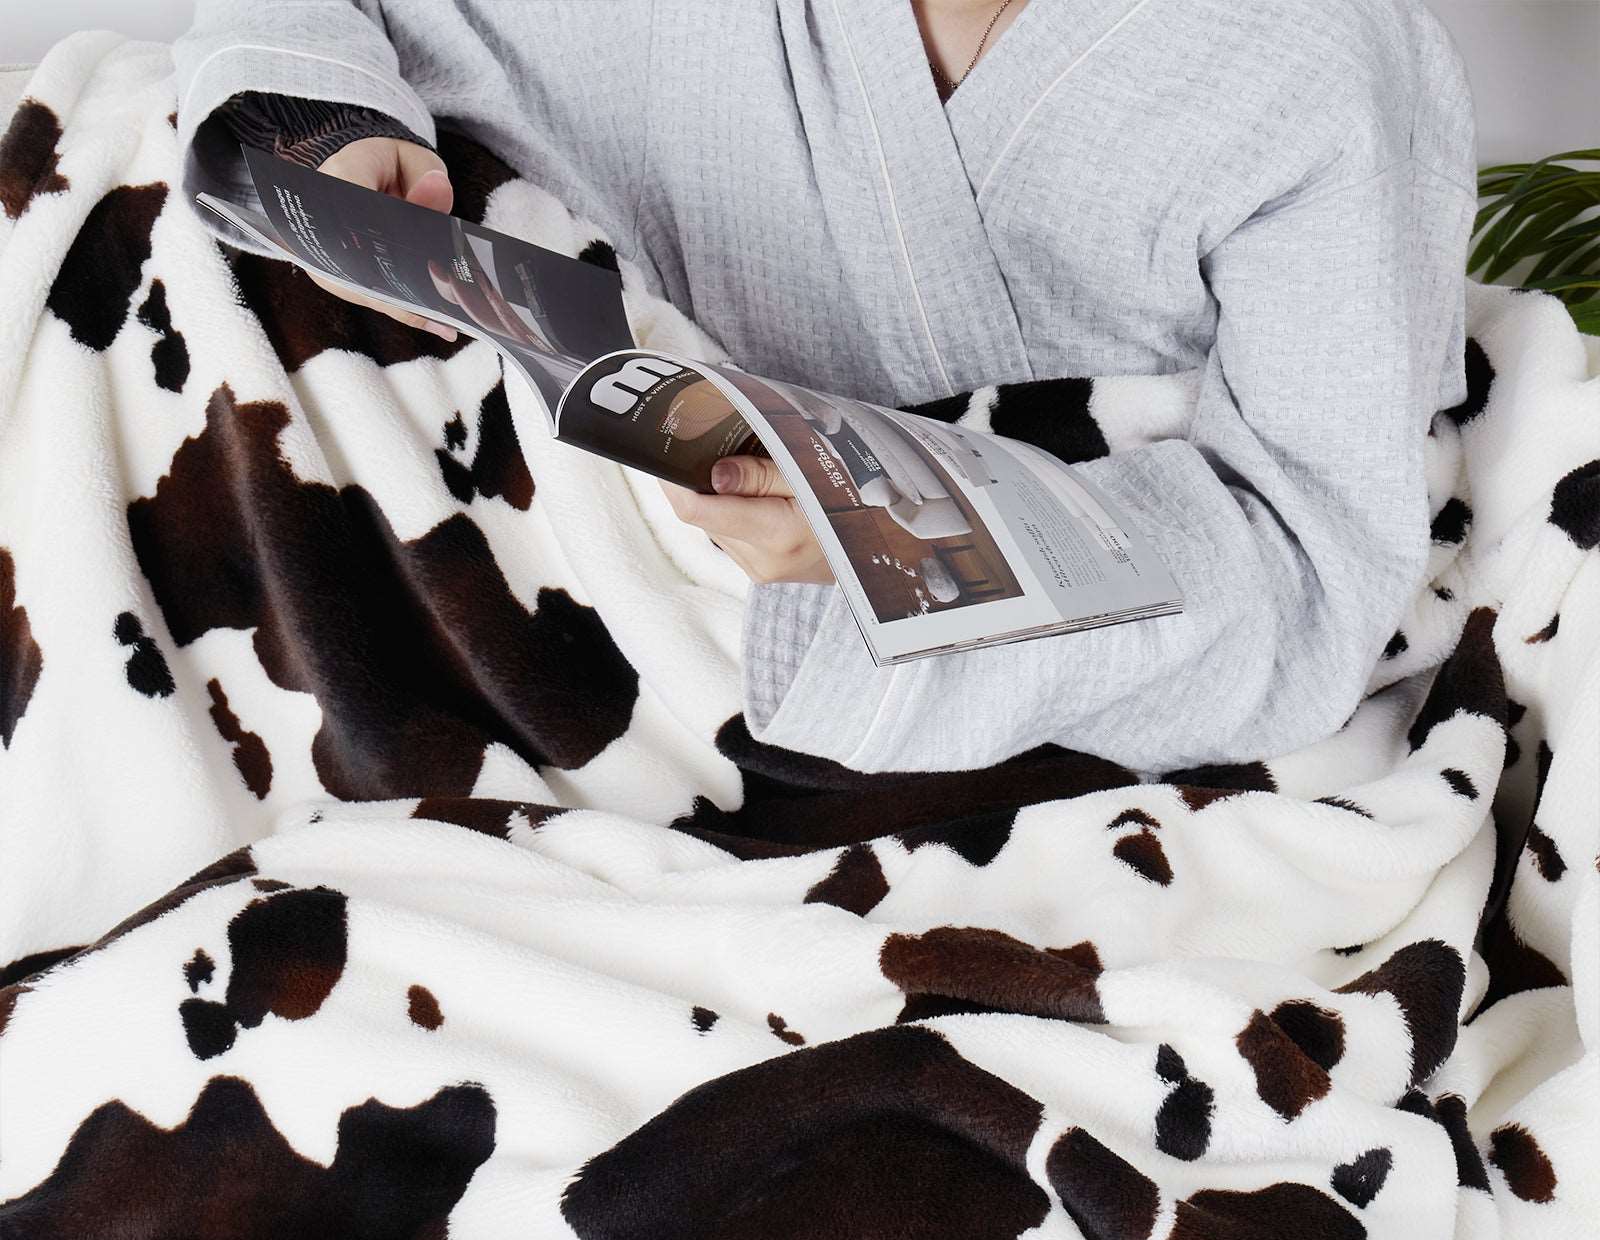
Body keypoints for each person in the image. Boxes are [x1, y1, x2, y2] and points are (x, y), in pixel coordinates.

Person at [173, 0, 1478, 776]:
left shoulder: (1313, 58)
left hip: (1013, 706)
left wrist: (932, 546)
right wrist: (331, 131)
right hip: (486, 593)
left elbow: (1316, 568)